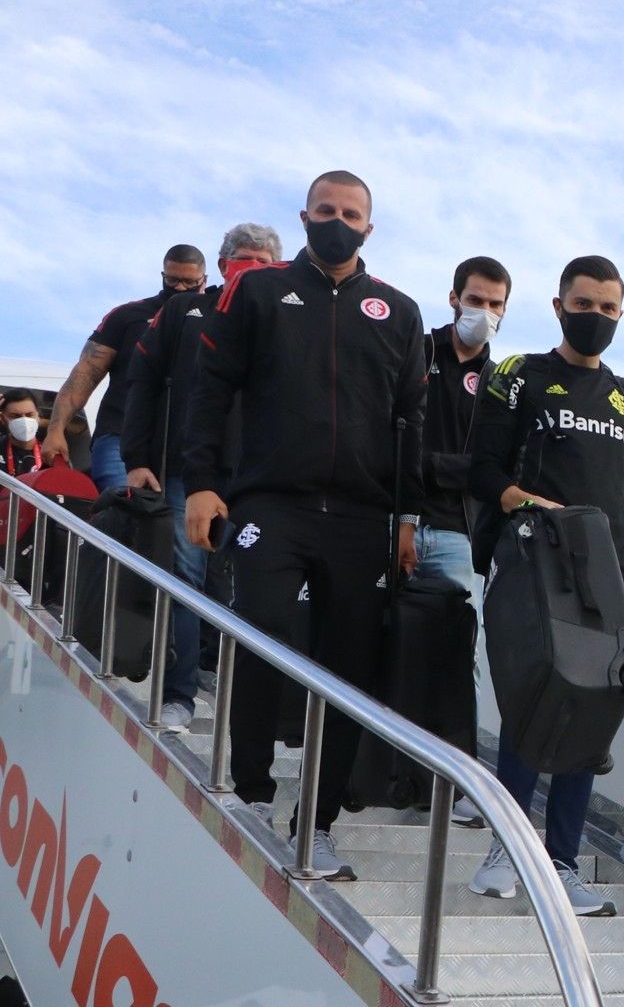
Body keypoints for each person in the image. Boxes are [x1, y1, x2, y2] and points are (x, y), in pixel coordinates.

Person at [182, 171, 426, 880]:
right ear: (304, 216)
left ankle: (316, 825)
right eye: (326, 210)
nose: (338, 222)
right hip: (270, 503)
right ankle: (253, 794)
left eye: (351, 213)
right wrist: (202, 483)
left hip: (361, 516)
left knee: (349, 671)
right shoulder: (258, 292)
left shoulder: (398, 311)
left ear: (369, 228)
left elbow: (410, 422)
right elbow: (210, 389)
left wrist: (407, 516)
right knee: (262, 631)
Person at [464, 255, 624, 916]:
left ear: (621, 314)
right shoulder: (517, 375)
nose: (595, 317)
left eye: (608, 309)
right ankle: (505, 850)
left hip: (603, 576)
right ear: (559, 307)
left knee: (594, 711)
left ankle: (561, 863)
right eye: (583, 305)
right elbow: (481, 470)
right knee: (533, 702)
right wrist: (533, 504)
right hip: (533, 566)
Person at [122, 223, 283, 731]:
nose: (250, 269)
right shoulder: (183, 311)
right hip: (189, 473)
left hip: (261, 479)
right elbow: (142, 381)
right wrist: (136, 458)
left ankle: (246, 699)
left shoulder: (290, 318)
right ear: (223, 264)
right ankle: (179, 694)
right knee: (185, 581)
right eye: (242, 259)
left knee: (251, 587)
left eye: (262, 261)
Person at [416, 255, 512, 827]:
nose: (484, 312)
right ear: (454, 298)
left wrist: (430, 466)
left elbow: (488, 469)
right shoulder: (413, 350)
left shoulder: (500, 384)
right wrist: (447, 467)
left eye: (496, 304)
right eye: (475, 300)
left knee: (458, 660)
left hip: (457, 532)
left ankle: (459, 785)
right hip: (393, 521)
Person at [46, 245, 210, 491]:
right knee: (125, 508)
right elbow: (86, 373)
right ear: (162, 275)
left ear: (204, 280)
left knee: (182, 515)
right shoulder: (128, 315)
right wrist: (55, 429)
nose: (179, 288)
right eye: (172, 280)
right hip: (120, 435)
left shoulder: (217, 319)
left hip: (184, 443)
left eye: (189, 282)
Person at [2, 389, 44, 477]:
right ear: (3, 419)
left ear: (38, 416)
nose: (24, 421)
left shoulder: (50, 452)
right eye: (15, 416)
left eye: (29, 415)